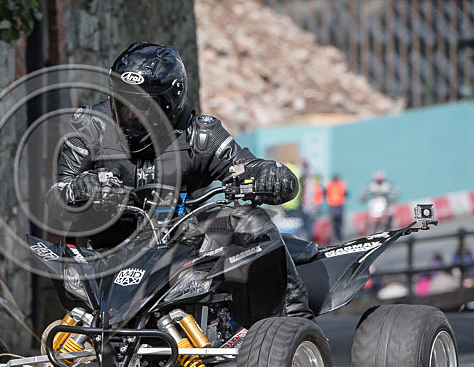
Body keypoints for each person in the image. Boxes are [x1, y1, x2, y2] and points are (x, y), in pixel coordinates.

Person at [49, 42, 312, 319]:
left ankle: (296, 322)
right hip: (109, 248)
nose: (130, 114)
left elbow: (244, 165)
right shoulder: (90, 127)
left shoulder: (200, 134)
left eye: (142, 105)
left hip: (182, 240)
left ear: (169, 102)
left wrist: (270, 175)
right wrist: (80, 187)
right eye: (123, 102)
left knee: (250, 220)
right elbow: (57, 194)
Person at [324, 174, 347, 242]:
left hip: (339, 205)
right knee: (334, 222)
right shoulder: (329, 185)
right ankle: (335, 236)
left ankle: (339, 235)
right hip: (332, 205)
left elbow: (345, 193)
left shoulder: (341, 184)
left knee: (339, 222)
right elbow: (325, 192)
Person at [302, 174, 324, 241]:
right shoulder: (314, 187)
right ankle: (310, 238)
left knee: (309, 225)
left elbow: (310, 199)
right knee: (310, 224)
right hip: (311, 208)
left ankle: (309, 239)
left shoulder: (310, 187)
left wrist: (309, 208)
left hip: (310, 209)